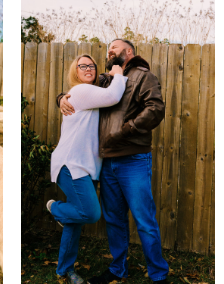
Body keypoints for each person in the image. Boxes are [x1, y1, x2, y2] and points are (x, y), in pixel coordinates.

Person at [57, 39, 168, 284]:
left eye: (115, 48)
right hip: (107, 162)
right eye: (109, 49)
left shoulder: (143, 76)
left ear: (129, 52)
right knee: (114, 220)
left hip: (133, 159)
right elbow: (82, 90)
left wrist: (127, 130)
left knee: (144, 220)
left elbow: (156, 108)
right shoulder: (107, 79)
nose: (110, 51)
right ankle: (118, 269)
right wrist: (61, 98)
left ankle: (158, 275)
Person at [47, 54, 126, 284]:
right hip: (71, 165)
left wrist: (60, 97)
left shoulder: (89, 92)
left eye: (91, 65)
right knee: (90, 213)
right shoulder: (81, 91)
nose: (88, 68)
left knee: (76, 221)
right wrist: (119, 72)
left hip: (87, 167)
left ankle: (65, 270)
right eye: (83, 66)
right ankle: (55, 209)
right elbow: (113, 95)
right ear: (76, 71)